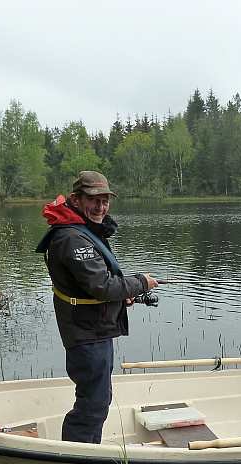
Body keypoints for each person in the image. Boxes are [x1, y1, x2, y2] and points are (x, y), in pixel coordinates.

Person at [36, 170, 158, 443]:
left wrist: (121, 296)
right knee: (93, 404)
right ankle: (78, 460)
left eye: (105, 200)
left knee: (97, 398)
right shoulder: (72, 238)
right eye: (93, 200)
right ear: (76, 200)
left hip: (93, 328)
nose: (100, 207)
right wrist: (141, 283)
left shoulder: (83, 231)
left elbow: (91, 285)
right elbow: (101, 285)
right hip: (86, 333)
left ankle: (84, 453)